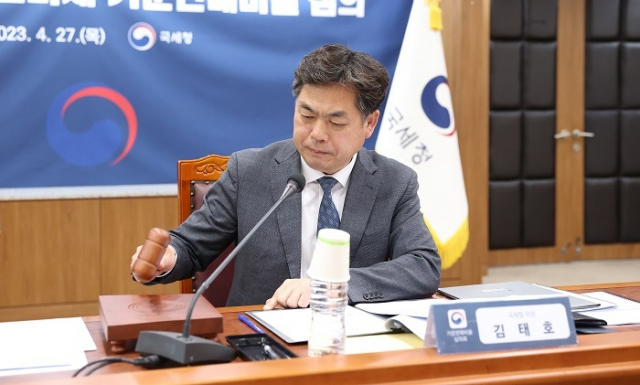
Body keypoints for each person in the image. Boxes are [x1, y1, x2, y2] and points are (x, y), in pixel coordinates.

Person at [130, 44, 441, 309]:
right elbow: (191, 245)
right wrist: (168, 256)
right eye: (306, 115)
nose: (317, 134)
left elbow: (422, 266)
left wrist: (331, 287)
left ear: (369, 124)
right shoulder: (249, 171)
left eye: (336, 122)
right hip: (258, 332)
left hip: (351, 338)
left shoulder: (394, 182)